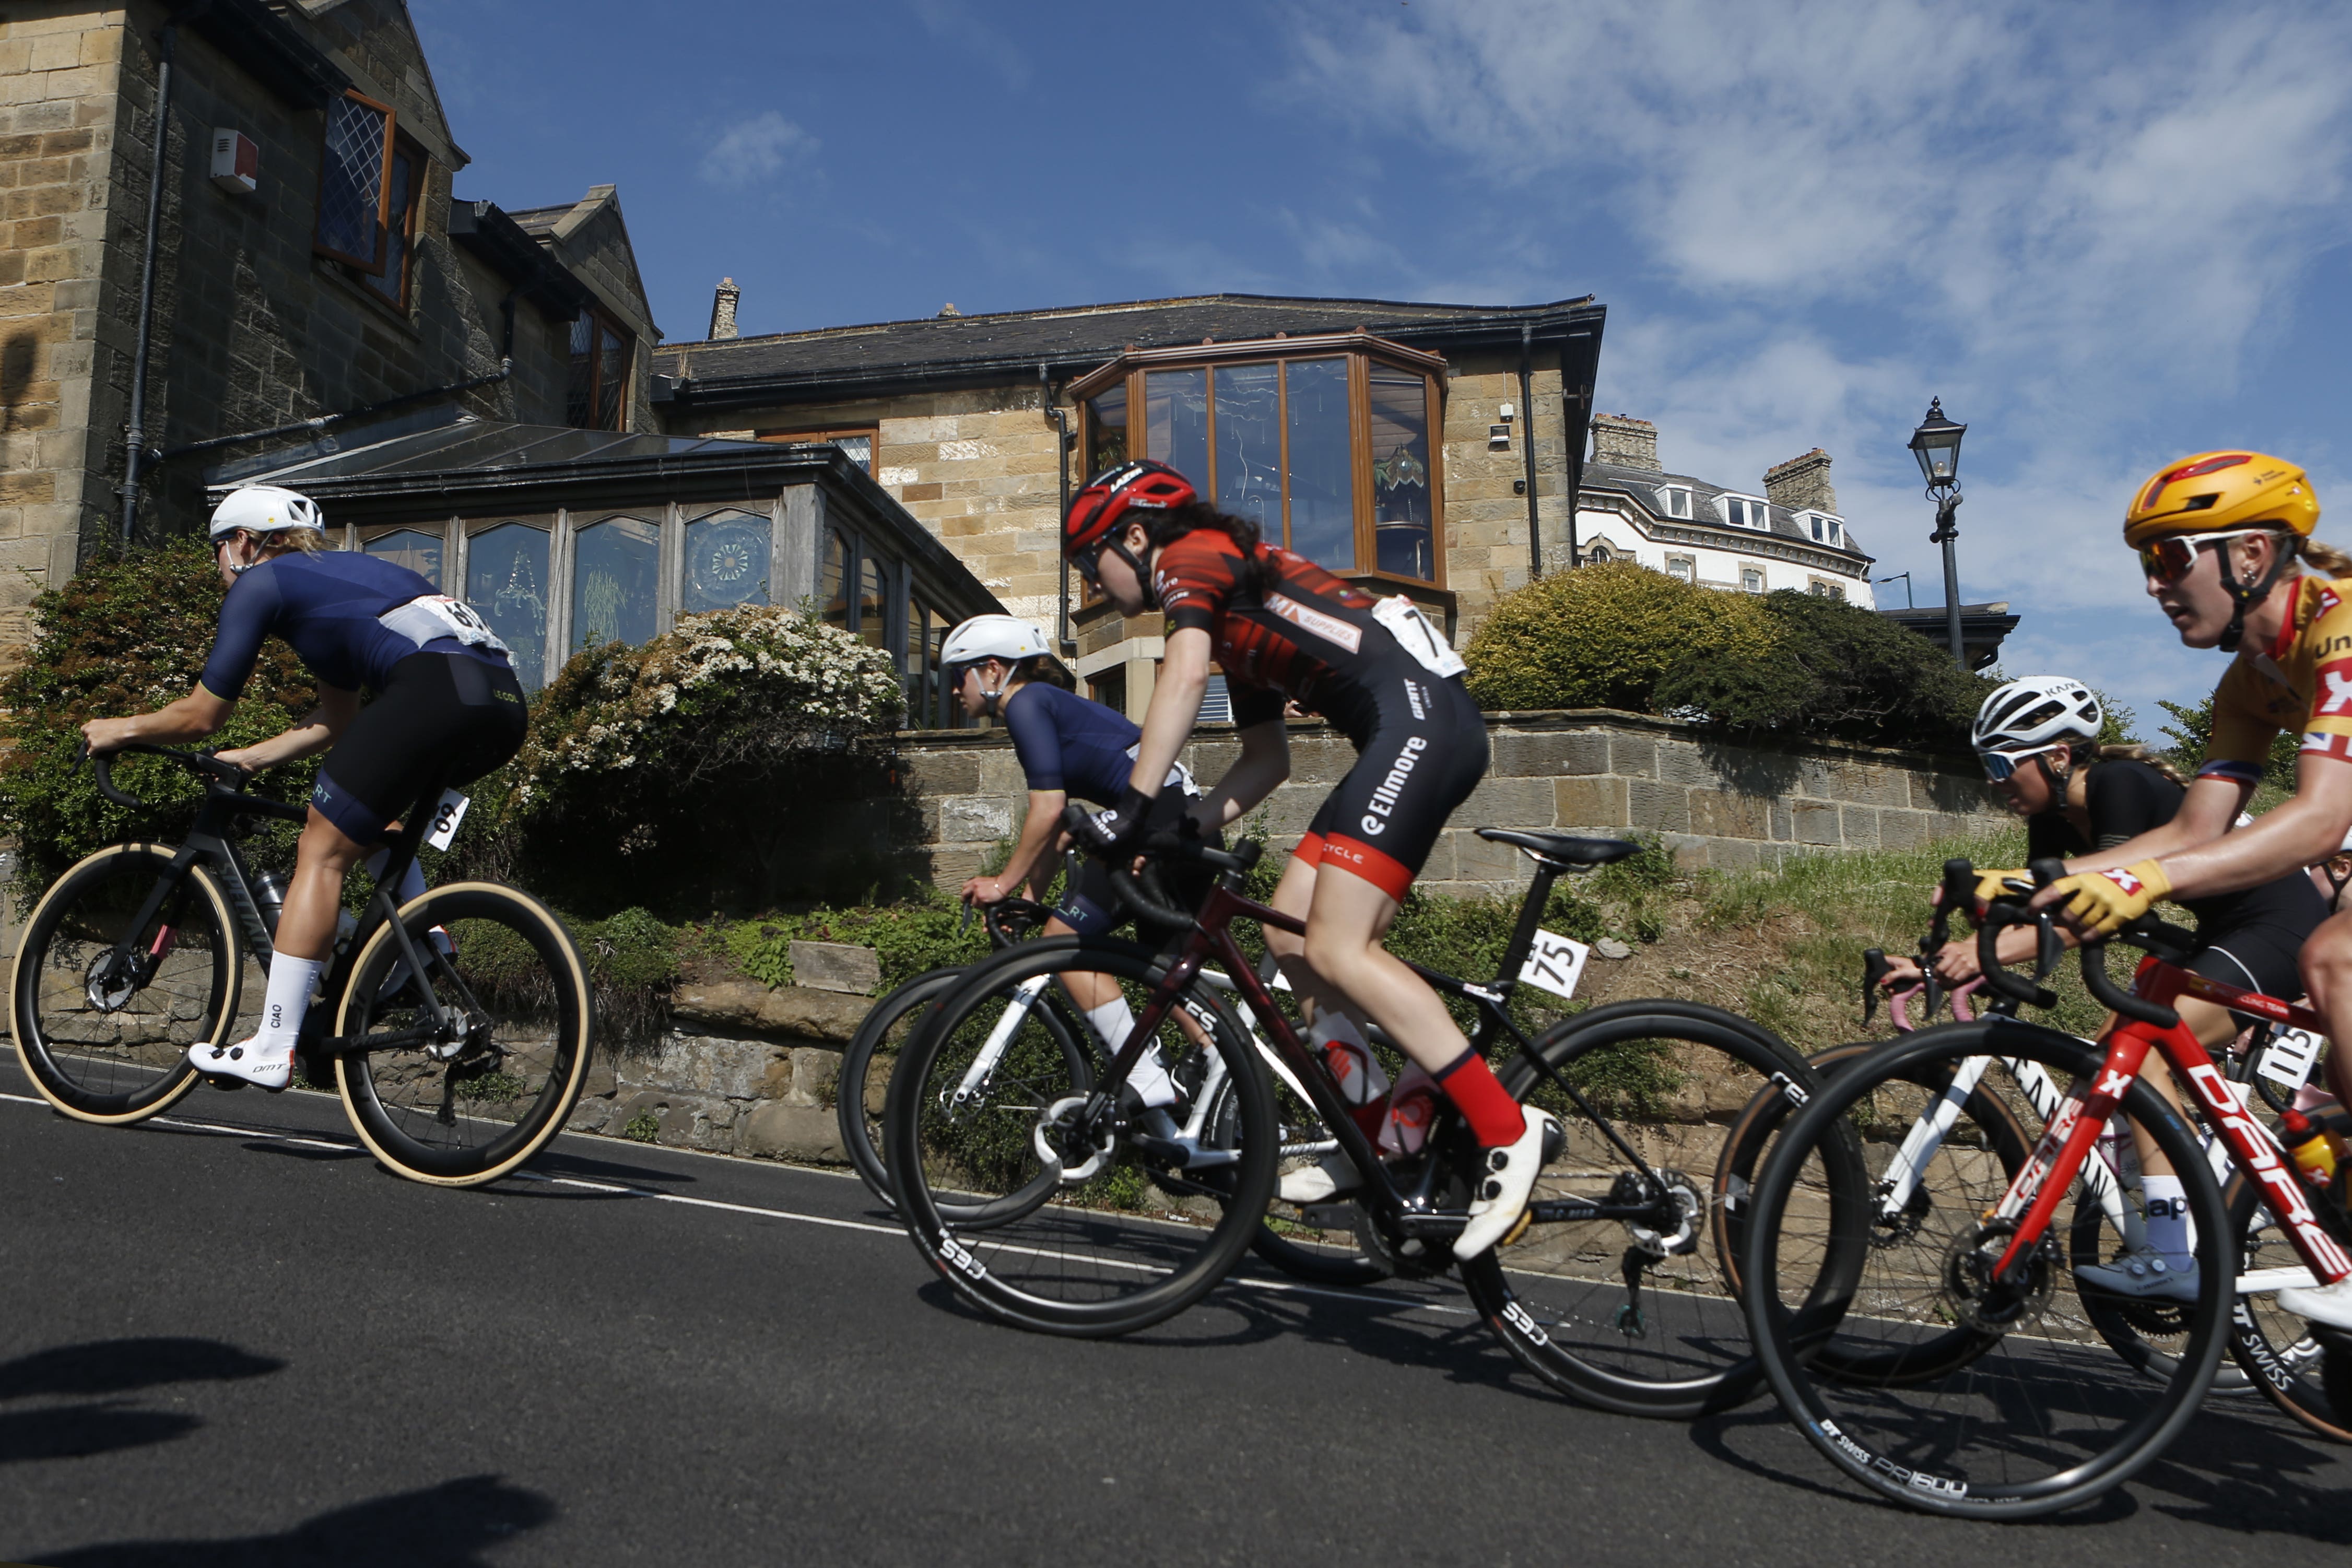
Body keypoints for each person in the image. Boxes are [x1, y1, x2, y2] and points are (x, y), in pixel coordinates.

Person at [1062, 459, 1550, 1260]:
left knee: (1335, 947)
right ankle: (1376, 1140)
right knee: (1290, 938)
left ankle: (1505, 1127)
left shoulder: (1193, 558)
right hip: (1404, 734)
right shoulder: (1232, 611)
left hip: (1421, 727)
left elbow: (1178, 679)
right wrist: (1189, 827)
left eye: (1091, 559)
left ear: (1136, 536)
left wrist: (1135, 811)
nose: (1091, 577)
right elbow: (1266, 760)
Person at [2019, 452, 2352, 1326]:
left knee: (2333, 953)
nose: (2152, 586)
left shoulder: (2340, 629)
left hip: (2309, 902)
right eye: (2145, 564)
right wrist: (2030, 884)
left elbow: (2319, 822)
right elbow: (2193, 831)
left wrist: (2142, 878)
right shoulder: (2249, 677)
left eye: (2169, 559)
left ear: (2248, 553)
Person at [80, 486, 527, 1090]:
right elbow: (335, 720)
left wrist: (121, 729)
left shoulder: (263, 584)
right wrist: (252, 759)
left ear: (242, 542)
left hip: (434, 690)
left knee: (320, 851)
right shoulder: (342, 583)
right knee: (374, 827)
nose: (219, 566)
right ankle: (423, 954)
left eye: (218, 550)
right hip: (500, 704)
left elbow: (201, 716)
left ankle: (272, 1044)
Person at [1894, 674, 2325, 1299]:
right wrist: (1934, 962)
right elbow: (2038, 916)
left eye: (2000, 762)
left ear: (2058, 755)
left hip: (2277, 929)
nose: (1993, 780)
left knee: (2138, 1049)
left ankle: (2174, 1246)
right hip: (2219, 931)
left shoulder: (2117, 784)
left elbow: (2091, 908)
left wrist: (1973, 957)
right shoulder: (2053, 821)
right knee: (2109, 1056)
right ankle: (2180, 1175)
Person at [940, 612, 1201, 1112]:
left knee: (1062, 947)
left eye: (959, 674)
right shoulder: (1046, 703)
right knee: (1167, 974)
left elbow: (1048, 808)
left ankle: (1144, 1074)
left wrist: (1002, 882)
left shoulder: (1027, 703)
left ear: (993, 671)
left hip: (1154, 824)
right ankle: (1217, 1068)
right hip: (1173, 817)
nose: (956, 690)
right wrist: (1030, 901)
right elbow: (1060, 829)